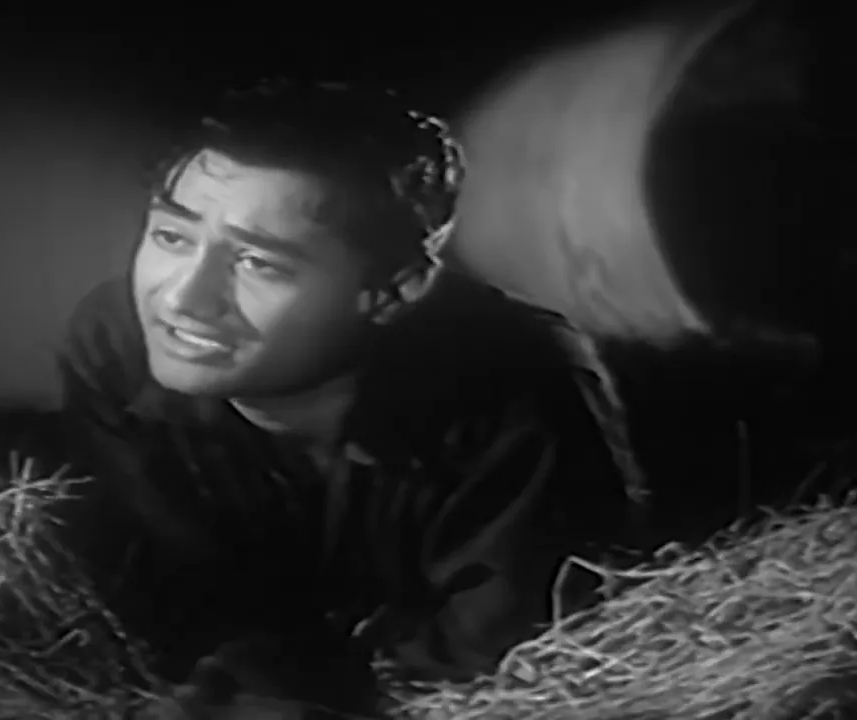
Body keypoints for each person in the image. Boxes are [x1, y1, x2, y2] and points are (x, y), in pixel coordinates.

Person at [33, 79, 649, 719]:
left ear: (395, 291)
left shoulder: (523, 390)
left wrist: (303, 687)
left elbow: (500, 645)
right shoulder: (117, 344)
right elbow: (158, 585)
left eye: (259, 264)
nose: (183, 299)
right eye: (172, 237)